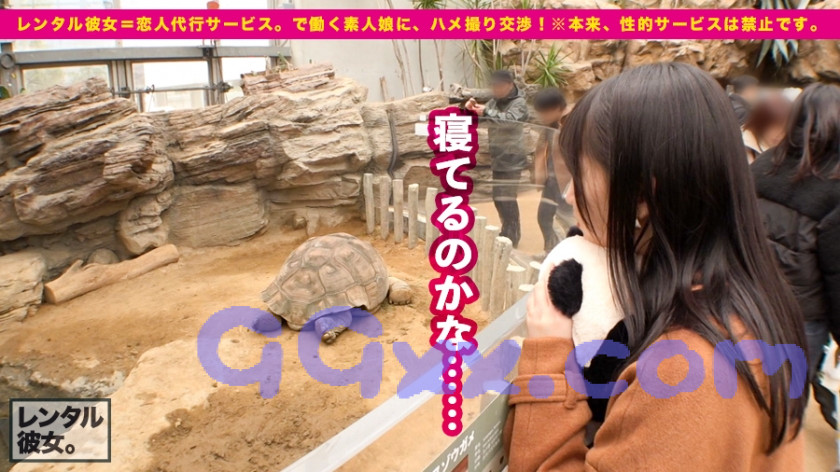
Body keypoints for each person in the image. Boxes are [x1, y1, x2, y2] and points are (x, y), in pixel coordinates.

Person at [504, 63, 806, 471]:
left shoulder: (683, 370)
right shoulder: (743, 294)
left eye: (580, 176)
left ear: (644, 193)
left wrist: (548, 357)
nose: (570, 195)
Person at [752, 83, 840, 430]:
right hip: (801, 324)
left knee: (740, 398)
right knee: (782, 416)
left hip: (747, 304)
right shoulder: (835, 188)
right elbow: (836, 274)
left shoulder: (762, 166)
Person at [466, 70, 529, 248]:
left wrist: (486, 110)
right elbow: (483, 118)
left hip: (512, 159)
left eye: (498, 86)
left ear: (509, 85)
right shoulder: (494, 102)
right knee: (498, 198)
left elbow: (509, 121)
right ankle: (506, 231)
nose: (495, 89)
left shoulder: (519, 103)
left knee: (507, 199)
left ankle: (512, 237)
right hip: (498, 158)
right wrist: (470, 109)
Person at [532, 87, 570, 253]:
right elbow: (542, 148)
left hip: (567, 184)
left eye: (544, 112)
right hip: (551, 180)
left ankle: (567, 256)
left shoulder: (573, 122)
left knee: (567, 221)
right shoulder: (551, 124)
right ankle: (551, 252)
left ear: (556, 108)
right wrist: (539, 174)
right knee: (544, 217)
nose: (541, 117)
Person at [742, 92, 791, 163]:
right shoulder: (741, 146)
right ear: (761, 123)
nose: (780, 133)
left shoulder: (792, 150)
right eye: (774, 126)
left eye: (785, 127)